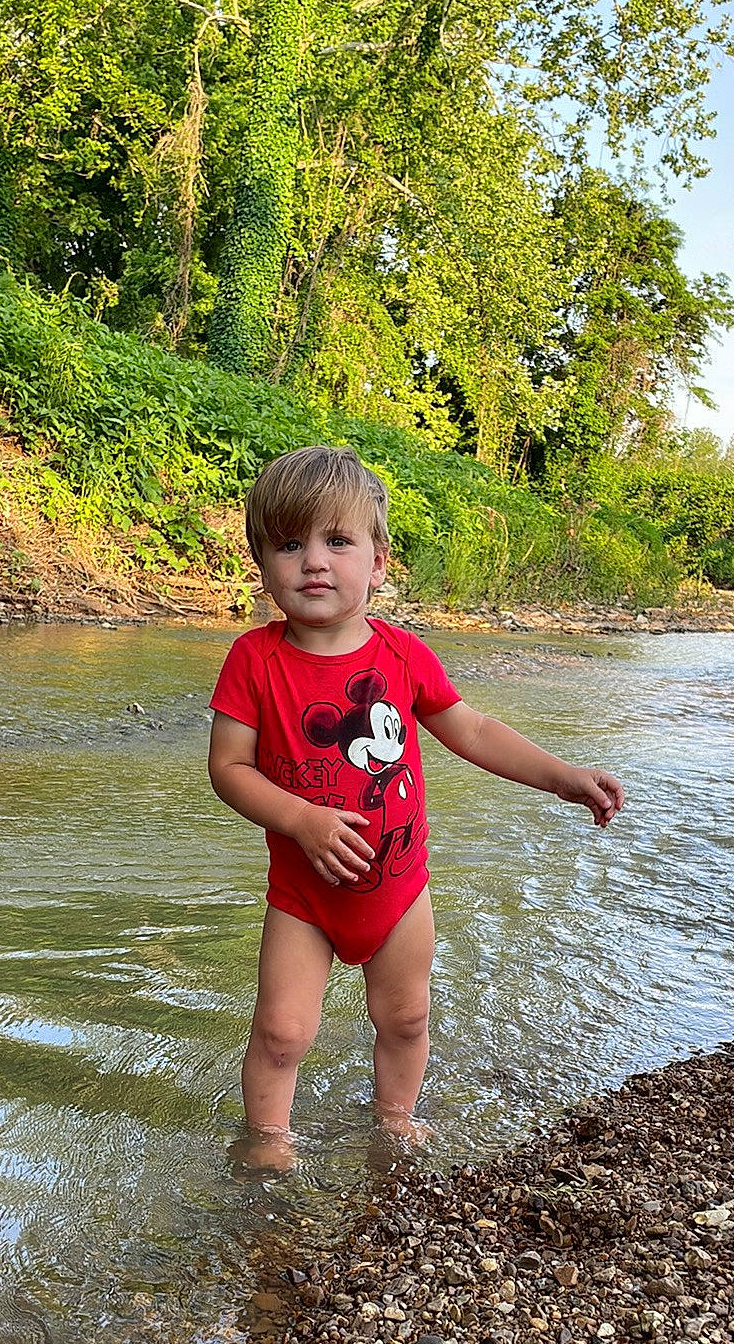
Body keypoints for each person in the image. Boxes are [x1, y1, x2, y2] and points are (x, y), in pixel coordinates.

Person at [208, 445, 625, 1166]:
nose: (314, 562)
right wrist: (302, 819)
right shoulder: (255, 660)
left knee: (405, 1017)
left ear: (377, 563)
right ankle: (268, 1142)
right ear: (263, 564)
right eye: (290, 544)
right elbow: (228, 769)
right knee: (281, 1032)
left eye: (338, 541)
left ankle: (395, 1118)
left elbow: (473, 731)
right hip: (304, 894)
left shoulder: (402, 656)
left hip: (398, 887)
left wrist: (560, 777)